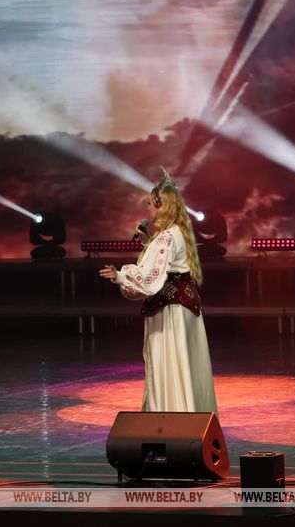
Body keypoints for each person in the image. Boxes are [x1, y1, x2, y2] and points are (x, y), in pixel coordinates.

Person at [99, 169, 218, 415]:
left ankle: (171, 416)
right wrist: (148, 243)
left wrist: (120, 276)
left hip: (170, 310)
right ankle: (187, 414)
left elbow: (151, 278)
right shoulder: (178, 233)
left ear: (160, 205)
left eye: (150, 204)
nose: (148, 208)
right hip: (185, 307)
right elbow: (165, 265)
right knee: (185, 365)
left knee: (169, 364)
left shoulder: (165, 237)